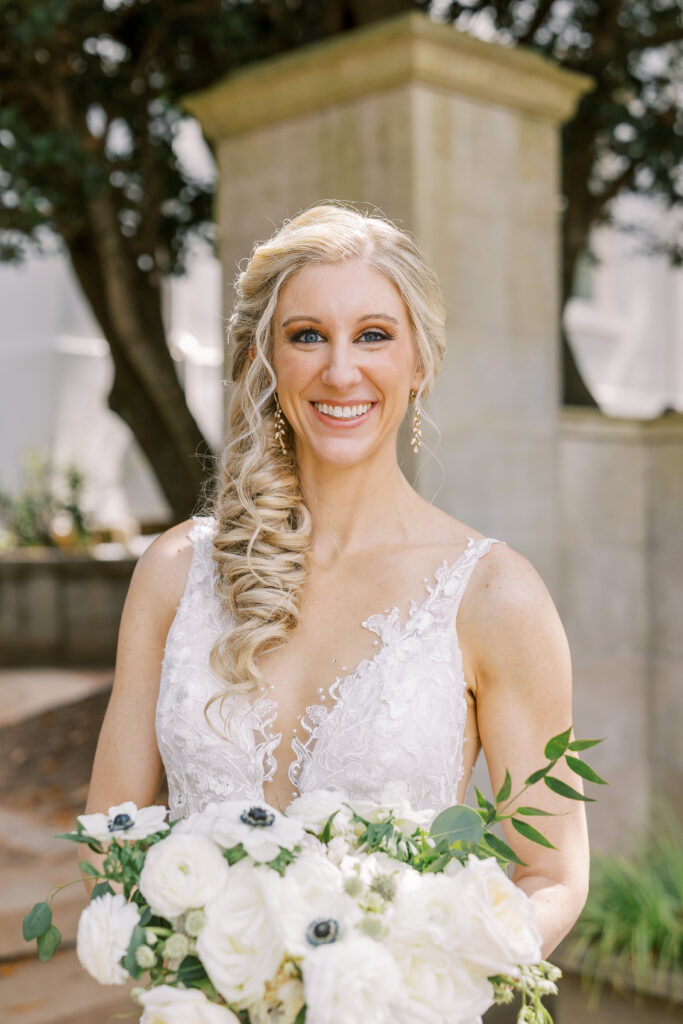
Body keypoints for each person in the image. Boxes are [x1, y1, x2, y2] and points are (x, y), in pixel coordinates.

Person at [84, 201, 589, 959]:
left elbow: (549, 872)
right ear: (264, 357)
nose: (340, 370)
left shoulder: (492, 597)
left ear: (419, 364)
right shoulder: (174, 574)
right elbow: (109, 842)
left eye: (374, 336)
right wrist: (186, 985)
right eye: (307, 336)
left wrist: (422, 992)